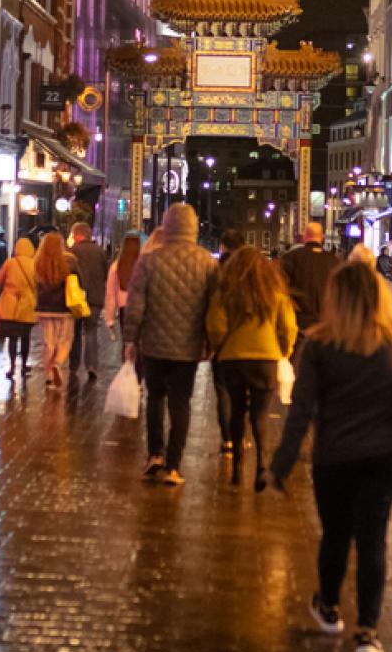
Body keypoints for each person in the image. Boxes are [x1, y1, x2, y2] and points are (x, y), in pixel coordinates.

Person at [270, 260, 392, 652]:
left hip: (334, 456)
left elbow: (301, 410)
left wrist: (282, 461)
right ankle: (368, 631)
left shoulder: (319, 344)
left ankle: (328, 607)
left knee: (336, 534)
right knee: (373, 539)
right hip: (385, 455)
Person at [121, 202, 218, 485]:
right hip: (188, 347)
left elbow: (136, 304)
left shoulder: (149, 260)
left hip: (153, 344)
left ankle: (155, 454)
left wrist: (131, 338)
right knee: (181, 403)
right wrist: (211, 340)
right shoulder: (207, 263)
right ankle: (175, 464)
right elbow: (214, 307)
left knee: (155, 398)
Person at [206, 246, 298, 488]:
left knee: (237, 411)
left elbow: (216, 325)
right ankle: (261, 465)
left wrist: (221, 346)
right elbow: (288, 327)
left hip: (234, 358)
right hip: (266, 359)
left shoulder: (226, 292)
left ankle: (237, 465)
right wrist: (283, 352)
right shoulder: (275, 293)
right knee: (260, 415)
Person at [211, 228, 247, 452]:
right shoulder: (253, 268)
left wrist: (212, 341)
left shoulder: (216, 270)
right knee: (241, 392)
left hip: (224, 341)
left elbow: (213, 308)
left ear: (223, 246)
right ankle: (240, 436)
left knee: (223, 390)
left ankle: (228, 439)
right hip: (248, 339)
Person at [30, 232, 79, 390]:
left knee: (48, 342)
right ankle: (57, 364)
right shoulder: (70, 261)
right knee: (65, 339)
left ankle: (49, 377)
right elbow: (79, 282)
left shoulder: (38, 262)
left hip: (44, 308)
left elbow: (34, 284)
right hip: (64, 308)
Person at [0, 236, 38, 384]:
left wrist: (4, 291)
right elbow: (38, 284)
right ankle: (24, 366)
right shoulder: (34, 264)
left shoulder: (10, 263)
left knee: (12, 337)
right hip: (27, 305)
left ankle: (12, 366)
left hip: (10, 304)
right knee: (25, 337)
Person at [280, 223, 339, 336]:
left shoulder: (291, 258)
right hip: (325, 322)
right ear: (322, 237)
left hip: (299, 321)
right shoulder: (334, 261)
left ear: (304, 237)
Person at [68, 223, 108, 384]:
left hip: (76, 299)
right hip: (95, 299)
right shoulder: (100, 252)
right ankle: (91, 366)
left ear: (77, 235)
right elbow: (105, 273)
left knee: (75, 332)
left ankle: (73, 364)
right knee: (91, 331)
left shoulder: (72, 252)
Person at [103, 232, 141, 335]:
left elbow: (110, 294)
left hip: (124, 308)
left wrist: (110, 318)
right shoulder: (144, 266)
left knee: (126, 341)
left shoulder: (116, 267)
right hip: (141, 307)